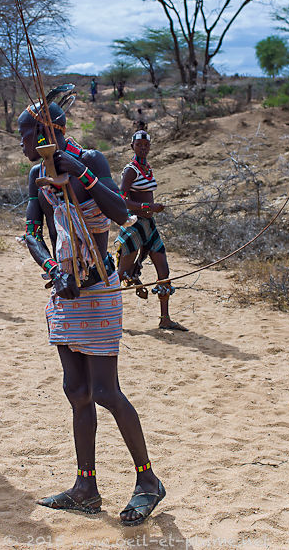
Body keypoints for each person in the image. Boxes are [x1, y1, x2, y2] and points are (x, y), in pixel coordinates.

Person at [19, 94, 166, 526]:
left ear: (48, 132)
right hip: (65, 294)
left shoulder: (91, 160)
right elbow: (30, 231)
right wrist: (51, 268)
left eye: (25, 135)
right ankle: (86, 486)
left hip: (99, 291)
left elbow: (122, 214)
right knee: (76, 392)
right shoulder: (35, 176)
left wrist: (78, 172)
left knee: (104, 392)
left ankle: (148, 481)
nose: (21, 144)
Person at [116, 130, 187, 331]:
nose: (143, 148)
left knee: (164, 271)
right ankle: (110, 318)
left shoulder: (147, 168)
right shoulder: (130, 170)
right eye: (139, 145)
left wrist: (154, 208)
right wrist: (148, 207)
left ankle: (165, 319)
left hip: (149, 225)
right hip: (135, 224)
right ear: (133, 147)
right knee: (121, 274)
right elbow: (122, 199)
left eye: (146, 145)